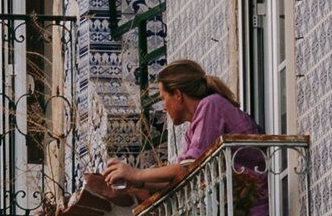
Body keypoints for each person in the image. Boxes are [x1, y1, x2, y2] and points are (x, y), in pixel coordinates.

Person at [90, 59, 261, 203]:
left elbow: (190, 167)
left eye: (164, 98)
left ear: (178, 94)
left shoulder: (211, 105)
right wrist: (136, 183)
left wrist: (137, 173)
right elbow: (179, 177)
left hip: (260, 199)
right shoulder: (192, 131)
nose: (163, 107)